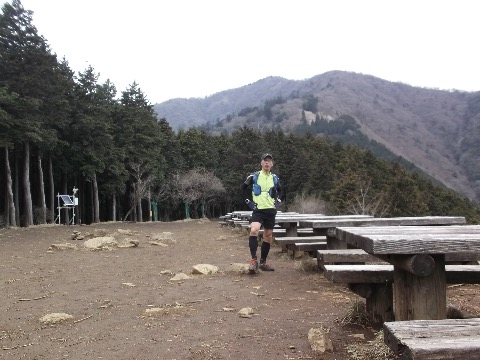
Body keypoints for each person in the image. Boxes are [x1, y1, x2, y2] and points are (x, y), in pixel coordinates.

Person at [241, 153, 281, 272]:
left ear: (272, 164)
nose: (267, 163)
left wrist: (278, 202)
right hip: (258, 210)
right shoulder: (254, 176)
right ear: (261, 163)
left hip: (270, 210)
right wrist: (249, 202)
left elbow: (281, 191)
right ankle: (254, 261)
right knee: (254, 230)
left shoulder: (275, 178)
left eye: (269, 161)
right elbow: (242, 189)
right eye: (265, 161)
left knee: (268, 236)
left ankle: (263, 262)